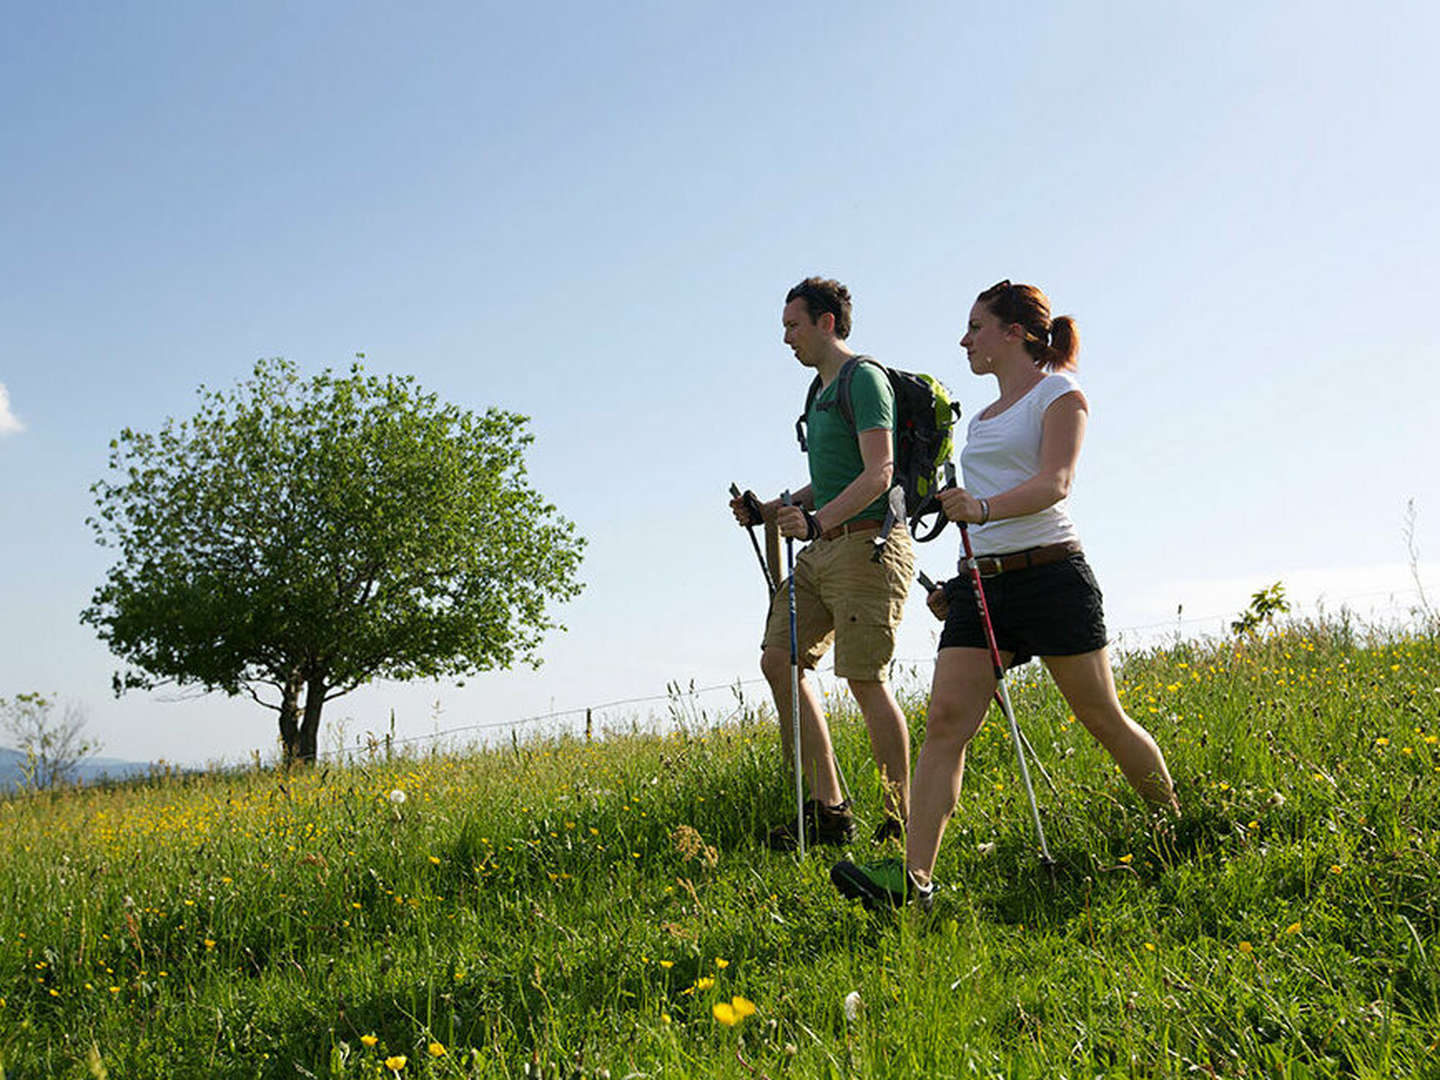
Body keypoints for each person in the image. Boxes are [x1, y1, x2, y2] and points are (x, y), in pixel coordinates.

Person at [830, 279, 1180, 910]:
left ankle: (1174, 828)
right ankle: (914, 885)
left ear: (1014, 333)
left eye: (976, 327)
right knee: (944, 725)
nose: (965, 340)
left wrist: (984, 507)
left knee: (1100, 716)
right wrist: (963, 576)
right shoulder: (985, 418)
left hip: (1051, 576)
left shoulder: (1059, 394)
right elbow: (979, 510)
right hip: (984, 588)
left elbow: (1057, 481)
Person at [730, 276, 915, 851]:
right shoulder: (818, 391)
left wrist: (813, 521)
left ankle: (902, 817)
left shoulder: (865, 380)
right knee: (778, 660)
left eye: (793, 325)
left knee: (864, 681)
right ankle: (830, 811)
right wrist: (772, 509)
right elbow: (831, 478)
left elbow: (879, 472)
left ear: (826, 322)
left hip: (868, 545)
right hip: (823, 547)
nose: (786, 338)